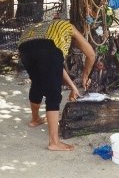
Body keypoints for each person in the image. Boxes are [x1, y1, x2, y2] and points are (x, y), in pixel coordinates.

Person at [18, 19, 96, 151]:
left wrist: (73, 88)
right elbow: (91, 55)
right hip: (46, 47)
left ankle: (35, 119)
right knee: (53, 93)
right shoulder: (69, 28)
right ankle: (54, 142)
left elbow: (56, 69)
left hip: (24, 47)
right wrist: (85, 76)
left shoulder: (47, 26)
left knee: (37, 82)